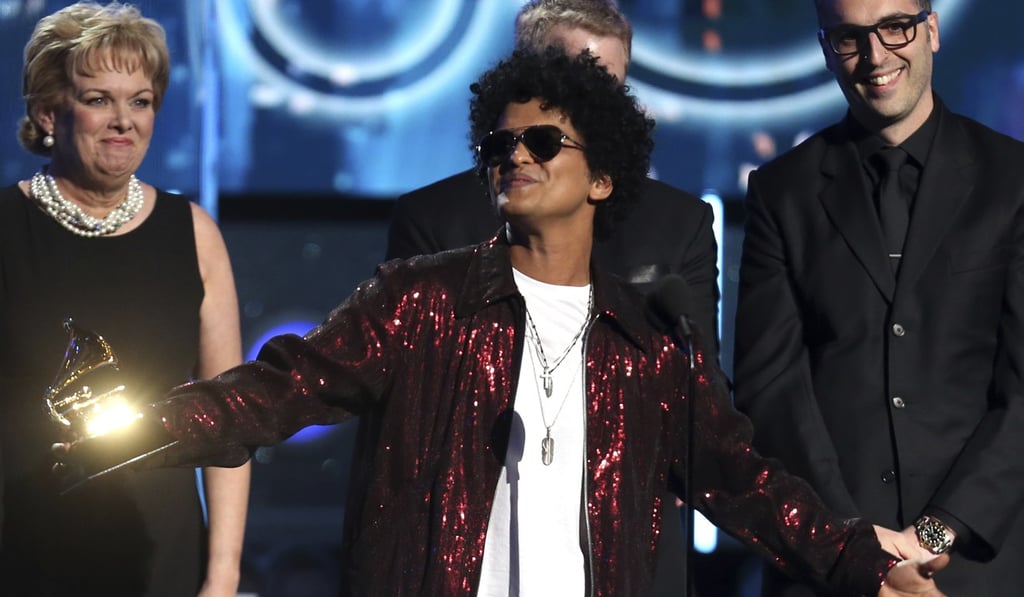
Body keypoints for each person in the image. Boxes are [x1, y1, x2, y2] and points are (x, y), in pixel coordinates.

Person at [70, 47, 948, 596]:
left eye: (542, 143)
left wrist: (864, 562)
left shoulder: (647, 345)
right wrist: (144, 420)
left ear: (602, 176)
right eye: (500, 146)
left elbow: (747, 483)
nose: (515, 157)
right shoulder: (421, 301)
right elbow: (282, 386)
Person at [733, 0, 1024, 595]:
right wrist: (854, 547)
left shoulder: (1012, 179)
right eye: (849, 37)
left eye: (895, 27)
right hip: (825, 564)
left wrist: (933, 537)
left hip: (975, 564)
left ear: (932, 30)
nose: (875, 56)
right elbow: (770, 388)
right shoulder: (781, 191)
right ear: (825, 48)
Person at [0, 2, 250, 596]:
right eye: (97, 99)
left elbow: (231, 420)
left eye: (140, 101)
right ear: (48, 114)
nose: (123, 121)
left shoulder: (193, 232)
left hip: (159, 560)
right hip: (20, 554)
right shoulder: (5, 226)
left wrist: (222, 576)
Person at [386, 0, 721, 364]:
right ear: (524, 77)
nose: (597, 107)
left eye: (612, 90)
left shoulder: (680, 224)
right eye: (579, 84)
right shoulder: (433, 222)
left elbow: (702, 387)